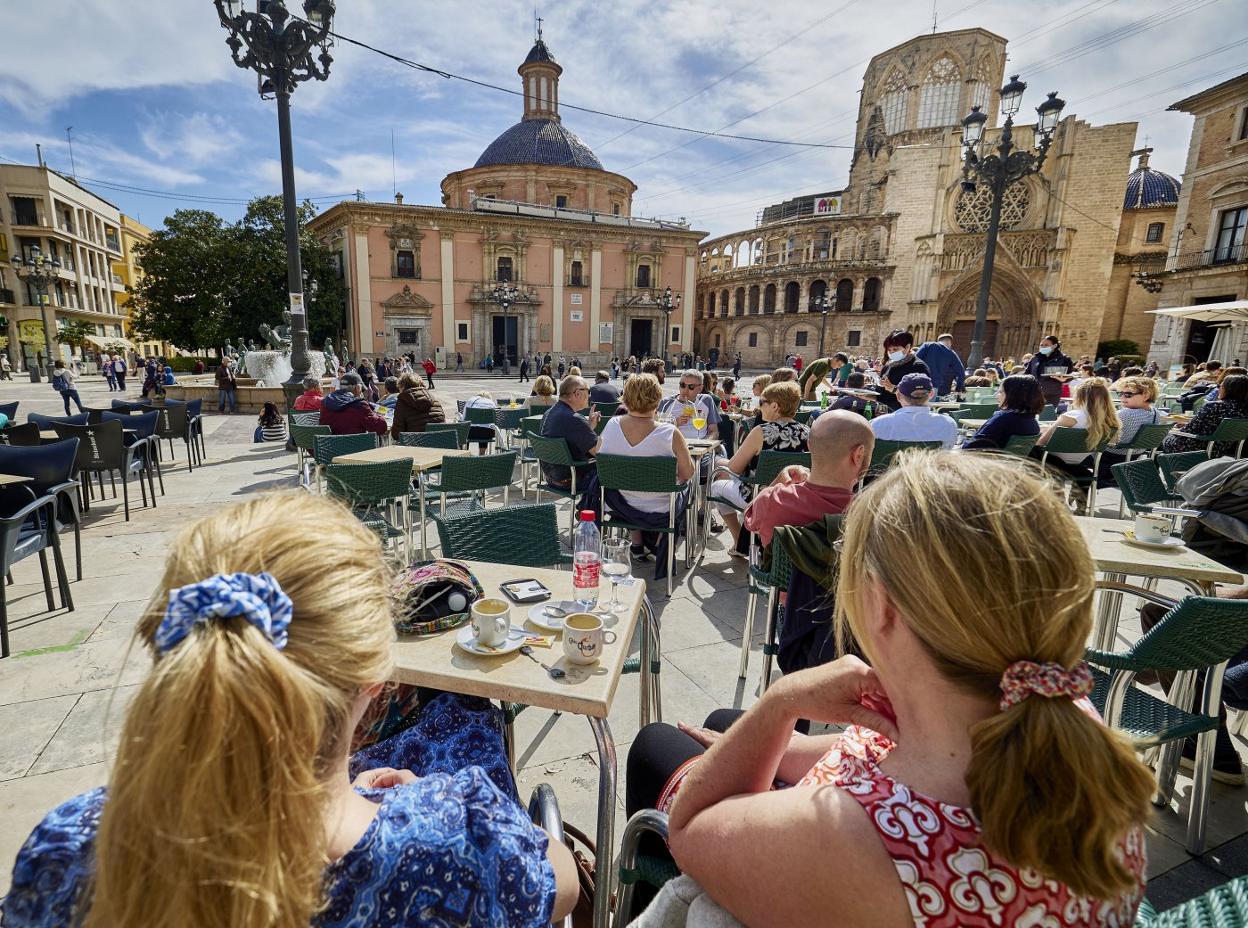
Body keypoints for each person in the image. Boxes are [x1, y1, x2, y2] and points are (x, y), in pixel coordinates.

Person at [2, 493, 579, 928]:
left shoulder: (67, 847)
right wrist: (415, 797)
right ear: (374, 678)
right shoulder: (463, 837)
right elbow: (563, 881)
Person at [626, 452, 1152, 927]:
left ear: (882, 607)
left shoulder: (863, 840)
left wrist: (780, 703)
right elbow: (887, 748)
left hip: (856, 862)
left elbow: (690, 831)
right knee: (721, 722)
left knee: (654, 743)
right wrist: (763, 743)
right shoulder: (1050, 700)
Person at [743, 410, 872, 548]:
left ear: (809, 445)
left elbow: (750, 515)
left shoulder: (772, 500)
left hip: (782, 570)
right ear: (858, 455)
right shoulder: (872, 516)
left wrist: (779, 481)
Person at [599, 373, 695, 559]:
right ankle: (660, 542)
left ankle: (637, 543)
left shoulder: (611, 425)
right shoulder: (670, 433)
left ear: (626, 398)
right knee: (687, 486)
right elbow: (687, 473)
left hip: (622, 504)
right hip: (662, 508)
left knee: (631, 483)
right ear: (657, 398)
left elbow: (599, 454)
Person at [709, 380, 809, 550]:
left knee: (716, 485)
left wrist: (720, 462)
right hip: (794, 497)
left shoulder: (761, 431)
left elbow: (734, 469)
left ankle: (738, 542)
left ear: (775, 406)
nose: (759, 407)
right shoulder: (809, 432)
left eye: (763, 402)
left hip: (758, 496)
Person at [1032, 377, 1120, 478]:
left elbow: (1041, 442)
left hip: (1049, 464)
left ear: (1080, 397)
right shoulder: (1109, 421)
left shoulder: (1072, 417)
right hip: (1078, 464)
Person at [538, 374, 602, 490]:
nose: (589, 396)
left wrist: (588, 427)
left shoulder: (550, 412)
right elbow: (600, 452)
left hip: (552, 477)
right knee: (616, 469)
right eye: (588, 391)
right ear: (578, 393)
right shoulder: (574, 419)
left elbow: (570, 437)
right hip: (572, 479)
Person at [1162, 374, 1248, 457]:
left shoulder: (1214, 406)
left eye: (1221, 387)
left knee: (1161, 439)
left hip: (1194, 448)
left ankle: (1155, 470)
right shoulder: (1244, 409)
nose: (1218, 390)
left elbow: (1187, 430)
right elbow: (1217, 427)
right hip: (1219, 450)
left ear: (1229, 389)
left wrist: (1173, 430)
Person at [869, 373, 958, 449]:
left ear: (898, 396)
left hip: (889, 469)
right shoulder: (948, 424)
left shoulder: (877, 425)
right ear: (931, 394)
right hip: (930, 468)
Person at [964, 374, 1045, 450]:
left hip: (985, 462)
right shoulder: (1032, 422)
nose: (996, 396)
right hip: (1013, 463)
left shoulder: (1002, 418)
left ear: (1013, 395)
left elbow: (971, 447)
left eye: (1000, 392)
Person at [659, 370, 721, 442]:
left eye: (691, 387)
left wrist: (704, 443)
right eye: (682, 385)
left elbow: (714, 432)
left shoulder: (706, 400)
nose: (685, 390)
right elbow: (658, 431)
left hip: (700, 448)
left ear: (700, 388)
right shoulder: (666, 403)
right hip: (673, 447)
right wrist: (675, 423)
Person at [876, 330, 929, 412]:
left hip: (906, 414)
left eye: (895, 349)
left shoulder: (918, 366)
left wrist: (893, 389)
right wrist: (863, 394)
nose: (892, 352)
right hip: (884, 411)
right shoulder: (888, 366)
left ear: (907, 347)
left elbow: (919, 396)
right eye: (889, 350)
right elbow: (882, 395)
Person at [320, 372, 388, 437]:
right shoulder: (360, 405)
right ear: (357, 388)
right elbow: (380, 428)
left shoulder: (325, 402)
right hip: (357, 447)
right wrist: (379, 415)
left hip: (329, 446)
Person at [1024, 335, 1075, 407]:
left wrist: (1063, 379)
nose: (1043, 347)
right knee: (1030, 416)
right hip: (1034, 394)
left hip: (1051, 396)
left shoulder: (1065, 359)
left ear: (1054, 346)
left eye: (1046, 345)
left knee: (1047, 417)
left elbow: (1070, 375)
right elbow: (1027, 374)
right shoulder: (1035, 358)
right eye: (1041, 345)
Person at [389, 372, 444, 438]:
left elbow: (396, 435)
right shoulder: (434, 400)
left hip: (416, 444)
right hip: (440, 442)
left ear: (402, 386)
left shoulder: (402, 402)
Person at [915, 333, 966, 397]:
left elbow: (913, 360)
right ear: (950, 343)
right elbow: (961, 373)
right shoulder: (951, 353)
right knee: (928, 406)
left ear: (939, 340)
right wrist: (958, 389)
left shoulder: (927, 345)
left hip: (917, 382)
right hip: (933, 386)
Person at [461, 390, 498, 455]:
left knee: (468, 428)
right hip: (487, 434)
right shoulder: (491, 403)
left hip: (470, 433)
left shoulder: (470, 400)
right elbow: (496, 420)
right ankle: (482, 454)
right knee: (484, 427)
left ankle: (465, 453)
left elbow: (463, 419)